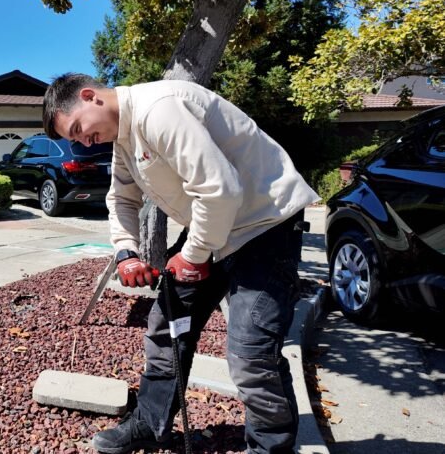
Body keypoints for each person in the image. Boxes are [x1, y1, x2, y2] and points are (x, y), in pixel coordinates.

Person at [42, 73, 319, 454]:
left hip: (263, 226)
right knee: (168, 323)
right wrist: (126, 251)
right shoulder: (123, 135)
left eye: (78, 129)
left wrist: (192, 256)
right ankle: (151, 424)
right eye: (74, 140)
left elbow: (220, 189)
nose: (83, 141)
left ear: (91, 97)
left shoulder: (159, 110)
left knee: (251, 353)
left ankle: (270, 448)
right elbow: (122, 199)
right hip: (215, 223)